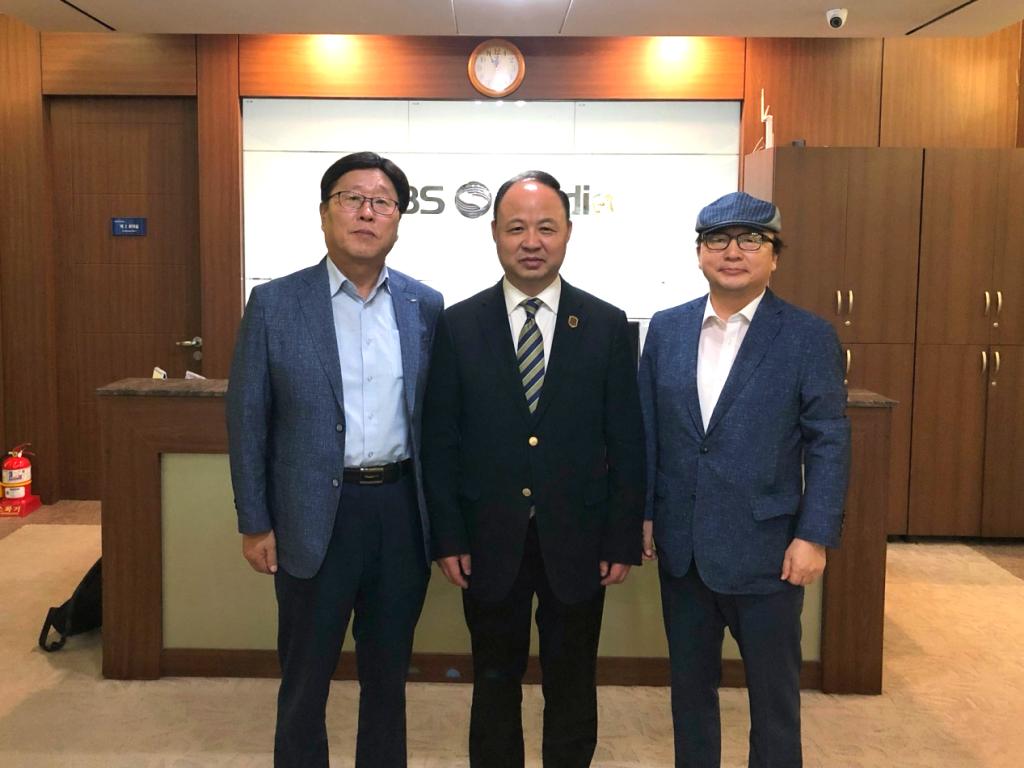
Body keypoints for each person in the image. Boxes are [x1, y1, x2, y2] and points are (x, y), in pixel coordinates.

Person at [225, 151, 443, 768]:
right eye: (352, 198)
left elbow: (438, 421)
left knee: (388, 677)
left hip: (400, 512)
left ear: (398, 219)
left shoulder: (425, 305)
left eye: (382, 202)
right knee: (305, 677)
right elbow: (247, 419)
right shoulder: (275, 303)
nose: (367, 213)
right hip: (311, 514)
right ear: (324, 213)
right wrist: (254, 521)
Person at [422, 171, 645, 768]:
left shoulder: (606, 324)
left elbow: (627, 442)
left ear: (568, 233)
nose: (531, 241)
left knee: (572, 680)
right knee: (494, 679)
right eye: (516, 228)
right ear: (494, 234)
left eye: (546, 227)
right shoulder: (458, 325)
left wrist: (622, 536)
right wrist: (447, 536)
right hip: (487, 536)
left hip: (580, 537)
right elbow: (440, 441)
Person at [638, 191, 850, 768]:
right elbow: (649, 430)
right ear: (699, 253)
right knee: (690, 694)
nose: (732, 252)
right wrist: (646, 512)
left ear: (774, 255)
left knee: (774, 699)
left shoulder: (807, 336)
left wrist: (814, 535)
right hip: (683, 549)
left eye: (751, 239)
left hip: (769, 550)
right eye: (717, 239)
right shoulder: (667, 328)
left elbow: (829, 441)